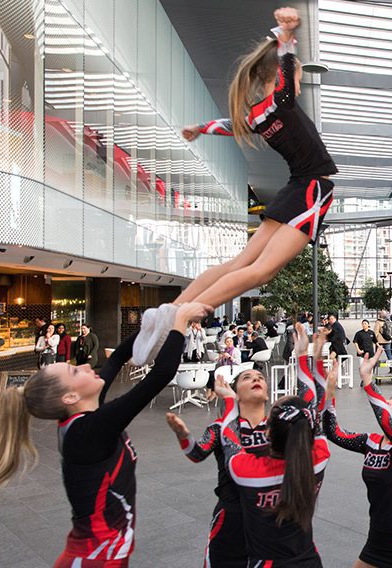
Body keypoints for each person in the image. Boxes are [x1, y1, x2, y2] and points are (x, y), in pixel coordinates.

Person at [132, 7, 338, 366]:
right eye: (297, 75)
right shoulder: (281, 103)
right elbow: (286, 79)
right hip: (311, 190)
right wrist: (286, 37)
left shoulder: (258, 115)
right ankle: (183, 316)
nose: (300, 80)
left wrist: (200, 128)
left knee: (242, 261)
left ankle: (169, 311)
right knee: (261, 270)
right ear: (278, 78)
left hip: (295, 187)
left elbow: (230, 124)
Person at [0, 302, 209, 567]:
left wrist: (154, 325)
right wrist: (180, 322)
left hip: (100, 555)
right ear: (71, 396)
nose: (84, 367)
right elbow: (160, 375)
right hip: (95, 560)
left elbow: (116, 358)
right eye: (73, 370)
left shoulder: (84, 415)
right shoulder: (88, 431)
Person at [212, 324, 331, 567]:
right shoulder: (318, 459)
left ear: (268, 432)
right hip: (308, 559)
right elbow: (313, 407)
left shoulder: (249, 472)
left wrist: (229, 401)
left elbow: (229, 439)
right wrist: (306, 357)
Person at [323, 347, 392, 567]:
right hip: (377, 537)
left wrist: (368, 380)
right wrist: (329, 392)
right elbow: (334, 432)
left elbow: (387, 422)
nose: (390, 402)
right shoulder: (371, 442)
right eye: (390, 398)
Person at [165, 367, 271, 567]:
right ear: (235, 392)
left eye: (260, 377)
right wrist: (184, 435)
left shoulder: (277, 427)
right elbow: (197, 453)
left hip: (268, 518)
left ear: (266, 391)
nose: (255, 379)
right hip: (231, 517)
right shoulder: (219, 427)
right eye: (247, 378)